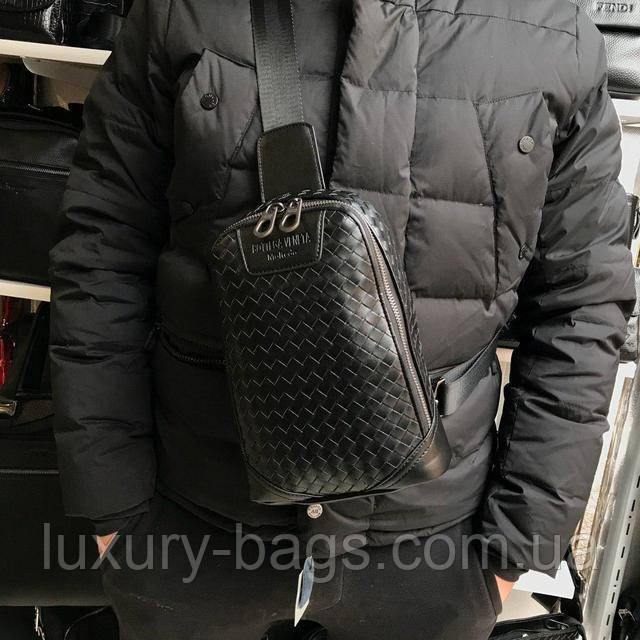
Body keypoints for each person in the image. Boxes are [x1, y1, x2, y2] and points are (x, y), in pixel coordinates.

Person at [49, 0, 636, 638]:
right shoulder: (181, 11)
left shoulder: (555, 34)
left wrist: (517, 546)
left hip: (436, 551)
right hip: (190, 526)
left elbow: (583, 305)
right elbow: (103, 251)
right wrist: (114, 505)